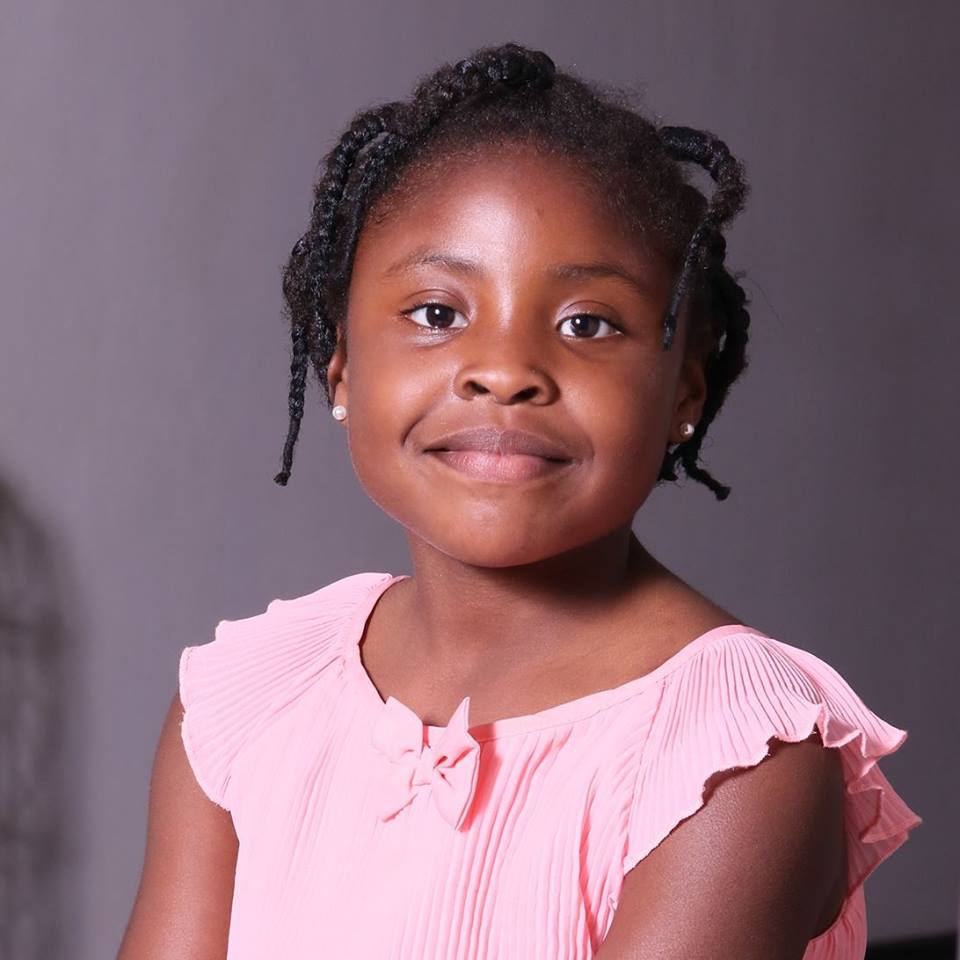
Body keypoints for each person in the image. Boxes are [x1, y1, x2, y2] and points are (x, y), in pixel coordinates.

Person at [118, 41, 922, 960]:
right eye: (437, 314)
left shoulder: (730, 758)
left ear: (685, 393)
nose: (504, 371)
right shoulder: (253, 697)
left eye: (588, 323)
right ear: (340, 365)